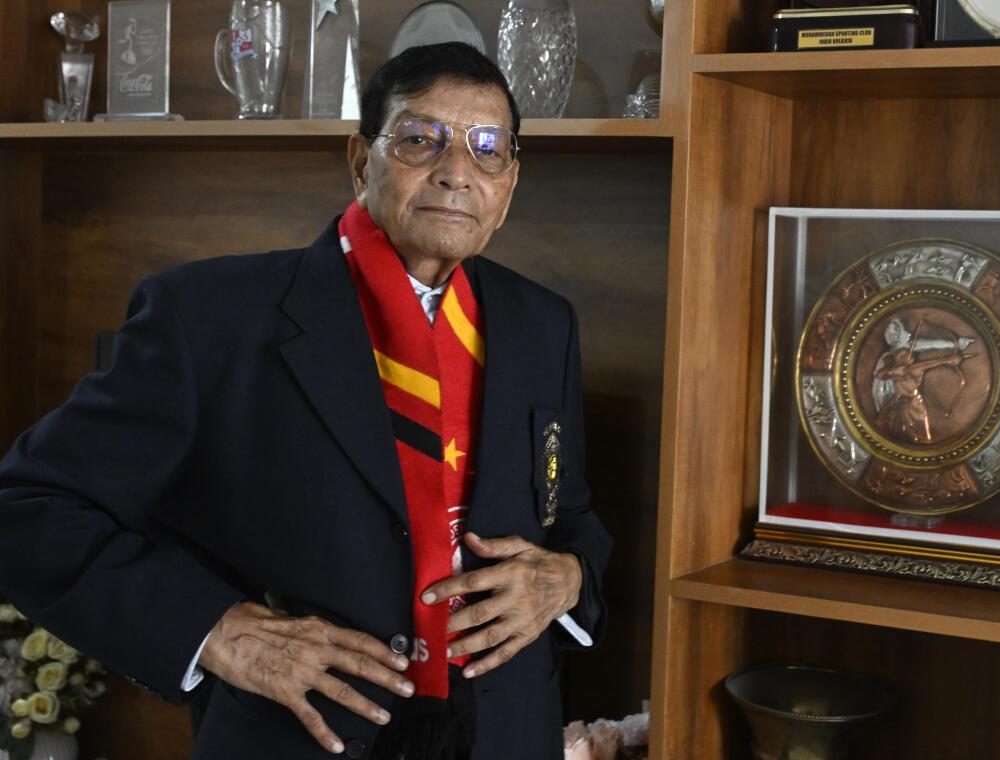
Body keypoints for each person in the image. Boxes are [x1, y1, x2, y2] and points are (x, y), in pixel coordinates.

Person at [0, 42, 610, 760]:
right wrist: (217, 631)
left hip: (506, 733)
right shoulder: (209, 317)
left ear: (510, 183)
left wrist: (567, 580)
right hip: (300, 734)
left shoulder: (543, 323)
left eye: (488, 150)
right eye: (420, 140)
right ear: (360, 161)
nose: (456, 173)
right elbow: (25, 509)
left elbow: (566, 515)